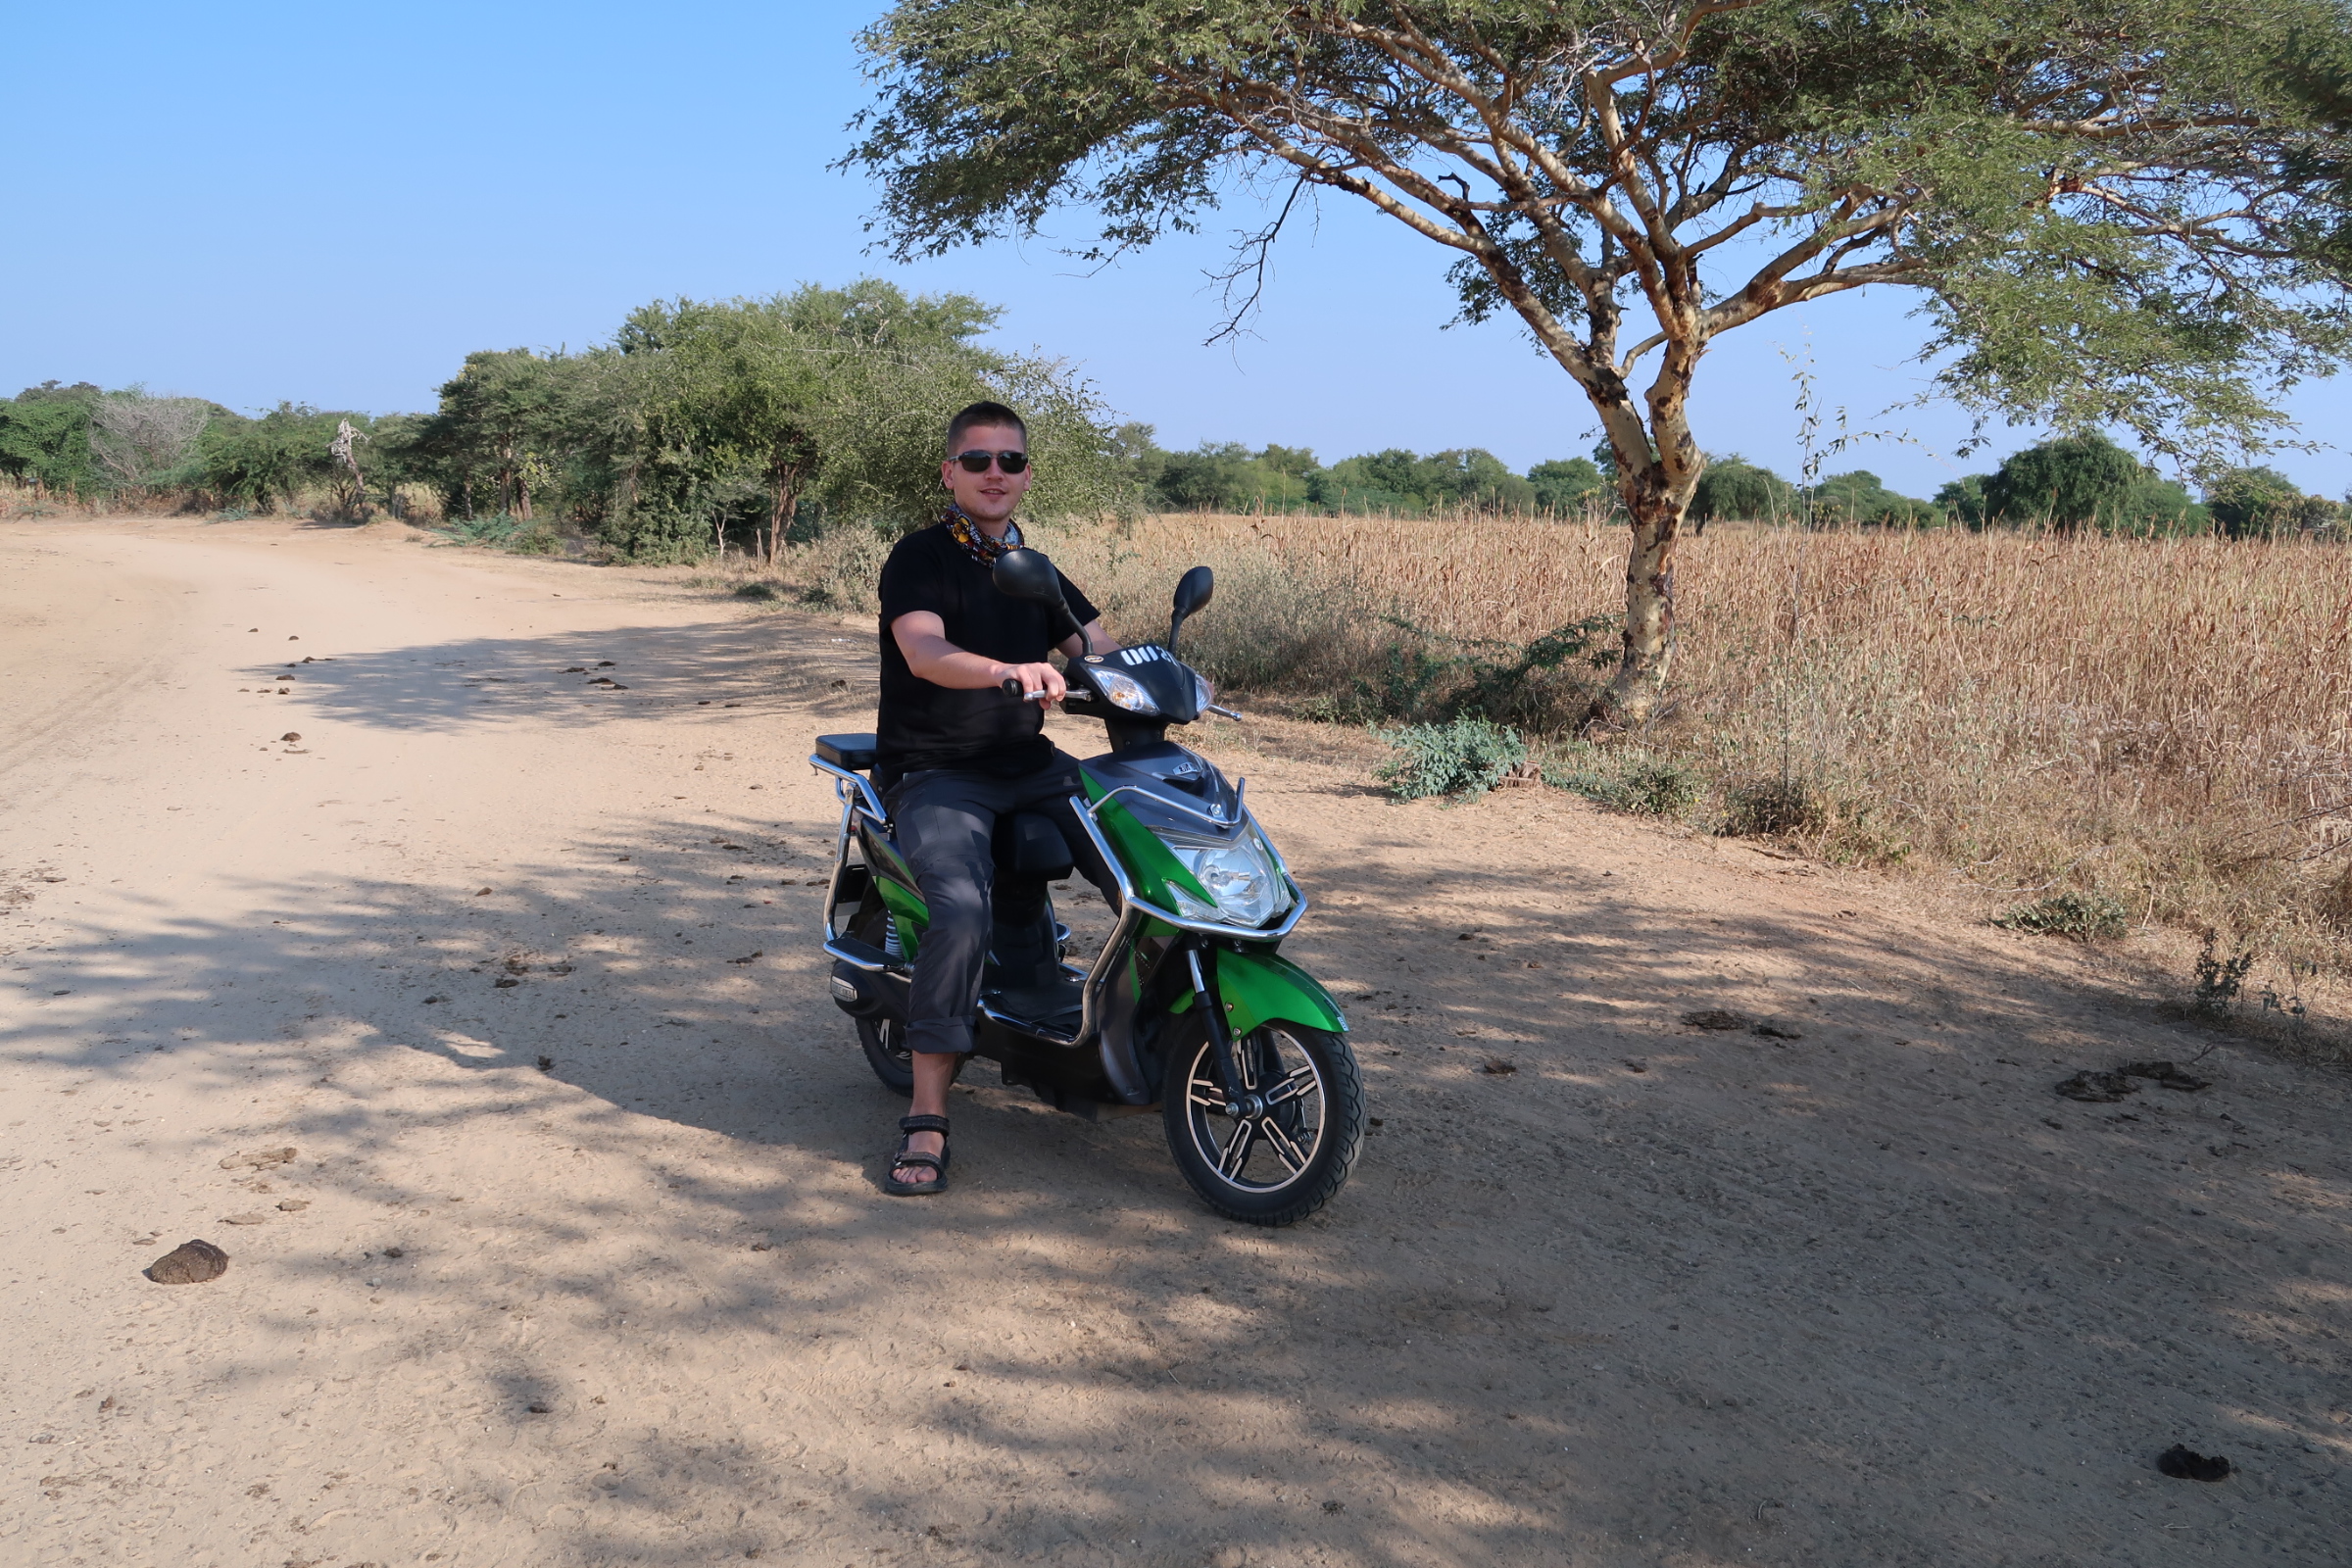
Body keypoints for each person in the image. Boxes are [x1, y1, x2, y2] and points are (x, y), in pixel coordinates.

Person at [871, 400, 1122, 1195]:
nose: (994, 474)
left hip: (1028, 761)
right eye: (977, 460)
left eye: (1009, 461)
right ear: (949, 472)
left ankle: (1152, 1023)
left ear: (1026, 475)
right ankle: (927, 1116)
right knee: (961, 909)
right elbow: (924, 650)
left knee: (1143, 852)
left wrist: (1169, 675)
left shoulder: (1032, 567)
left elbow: (1097, 648)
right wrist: (1006, 671)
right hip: (936, 770)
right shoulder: (919, 557)